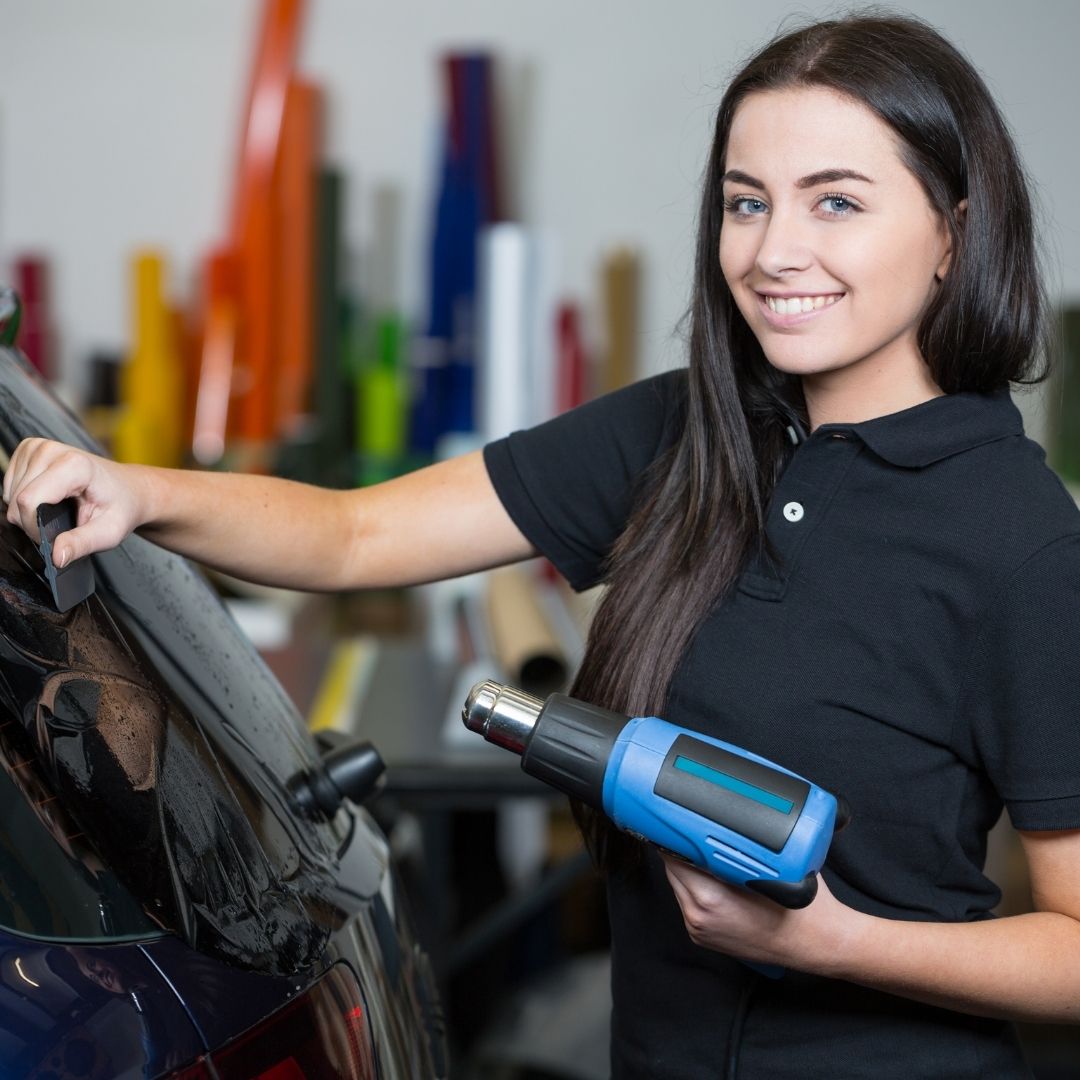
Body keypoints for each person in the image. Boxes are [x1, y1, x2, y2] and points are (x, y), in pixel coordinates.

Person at [4, 11, 1079, 1078]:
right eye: (745, 203)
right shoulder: (689, 433)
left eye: (835, 202)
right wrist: (134, 487)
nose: (772, 252)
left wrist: (837, 943)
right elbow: (354, 534)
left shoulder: (1018, 540)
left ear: (953, 228)